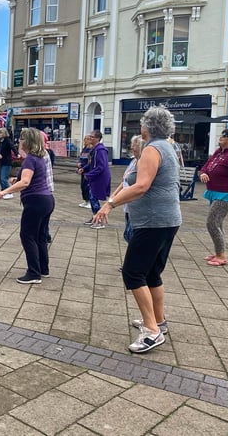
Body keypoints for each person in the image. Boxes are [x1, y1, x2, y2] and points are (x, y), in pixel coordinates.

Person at [93, 106, 181, 353]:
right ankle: (159, 321)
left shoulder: (153, 149)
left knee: (132, 273)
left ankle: (152, 331)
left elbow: (141, 186)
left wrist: (109, 204)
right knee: (152, 273)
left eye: (142, 123)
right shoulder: (167, 146)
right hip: (166, 219)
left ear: (147, 127)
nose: (140, 127)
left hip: (154, 221)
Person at [0, 128, 55, 284]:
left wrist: (4, 191)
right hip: (47, 199)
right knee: (40, 235)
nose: (19, 142)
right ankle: (43, 269)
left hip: (36, 201)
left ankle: (34, 273)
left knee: (27, 235)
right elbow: (32, 177)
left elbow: (26, 182)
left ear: (27, 141)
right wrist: (17, 179)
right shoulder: (40, 157)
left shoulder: (30, 159)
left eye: (21, 139)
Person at [198, 128, 228, 266]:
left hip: (226, 194)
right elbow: (206, 166)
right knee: (218, 223)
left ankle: (221, 256)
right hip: (214, 192)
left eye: (224, 136)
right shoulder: (219, 152)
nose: (221, 137)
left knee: (211, 223)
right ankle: (219, 252)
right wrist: (203, 174)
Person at [111, 135, 144, 243]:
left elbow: (140, 187)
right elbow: (124, 180)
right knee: (128, 235)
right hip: (128, 205)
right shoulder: (134, 161)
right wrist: (113, 195)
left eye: (134, 145)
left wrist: (112, 204)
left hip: (136, 206)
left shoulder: (144, 163)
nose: (131, 148)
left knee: (131, 237)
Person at [81, 130, 111, 229]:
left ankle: (99, 221)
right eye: (90, 136)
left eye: (92, 137)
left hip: (99, 178)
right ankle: (95, 217)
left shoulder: (100, 150)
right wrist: (84, 169)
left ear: (98, 138)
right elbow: (91, 163)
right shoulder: (95, 149)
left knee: (93, 197)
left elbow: (101, 166)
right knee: (92, 197)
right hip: (95, 177)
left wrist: (89, 174)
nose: (90, 138)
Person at [0, 127, 15, 199]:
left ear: (4, 133)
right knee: (0, 178)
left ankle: (9, 192)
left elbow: (12, 147)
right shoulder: (0, 141)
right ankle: (3, 191)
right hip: (1, 161)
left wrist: (17, 154)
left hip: (7, 161)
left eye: (0, 133)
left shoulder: (7, 141)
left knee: (4, 178)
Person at [77, 136, 92, 208]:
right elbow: (81, 158)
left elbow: (89, 162)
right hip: (82, 170)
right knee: (82, 186)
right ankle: (85, 200)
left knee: (87, 186)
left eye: (86, 139)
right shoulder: (84, 149)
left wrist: (84, 167)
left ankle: (89, 201)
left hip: (88, 170)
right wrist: (79, 163)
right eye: (84, 139)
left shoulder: (91, 150)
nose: (85, 141)